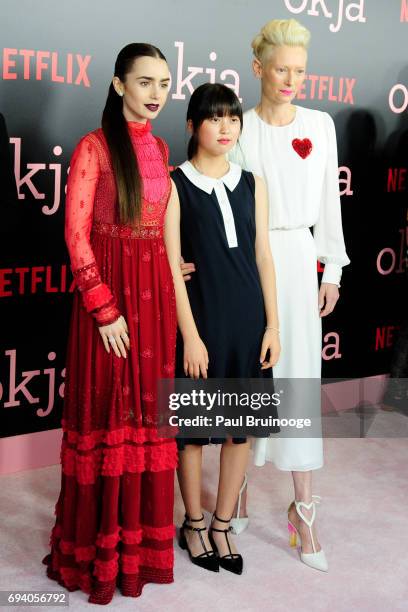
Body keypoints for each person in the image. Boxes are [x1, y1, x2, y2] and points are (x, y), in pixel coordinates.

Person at [42, 43, 177, 604]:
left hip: (156, 305)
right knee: (107, 421)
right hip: (111, 308)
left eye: (164, 84)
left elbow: (160, 232)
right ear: (119, 84)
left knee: (147, 422)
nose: (155, 95)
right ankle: (93, 554)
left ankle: (138, 555)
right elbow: (76, 236)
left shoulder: (164, 146)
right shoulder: (93, 148)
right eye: (144, 83)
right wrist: (104, 308)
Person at [227, 18, 350, 572]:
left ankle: (303, 513)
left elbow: (330, 200)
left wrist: (333, 270)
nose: (291, 79)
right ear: (258, 68)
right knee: (251, 374)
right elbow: (223, 203)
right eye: (282, 69)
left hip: (300, 262)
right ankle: (240, 489)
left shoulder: (320, 124)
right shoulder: (240, 128)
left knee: (298, 380)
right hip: (247, 264)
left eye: (300, 70)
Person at [164, 83, 280, 575]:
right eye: (215, 118)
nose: (226, 127)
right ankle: (192, 523)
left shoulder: (254, 183)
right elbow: (171, 265)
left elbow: (263, 257)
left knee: (240, 433)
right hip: (201, 322)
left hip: (248, 322)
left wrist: (273, 325)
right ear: (193, 126)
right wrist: (190, 335)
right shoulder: (175, 182)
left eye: (233, 118)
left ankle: (222, 523)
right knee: (191, 434)